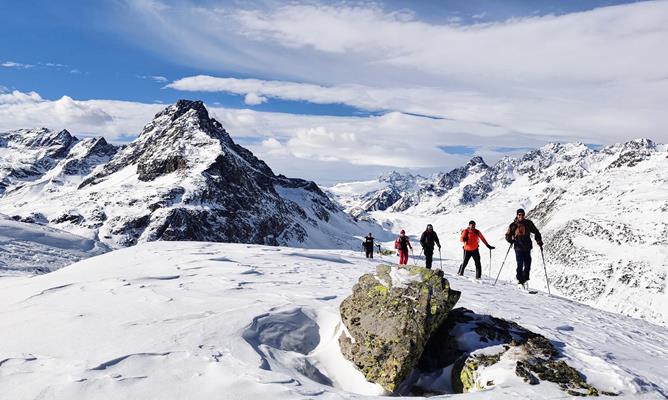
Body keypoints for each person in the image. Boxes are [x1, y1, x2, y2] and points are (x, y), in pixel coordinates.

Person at [505, 209, 543, 289]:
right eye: (519, 214)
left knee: (528, 264)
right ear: (517, 215)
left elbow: (536, 232)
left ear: (524, 215)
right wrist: (510, 240)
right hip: (518, 248)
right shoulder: (513, 225)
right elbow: (508, 235)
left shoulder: (528, 223)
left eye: (522, 214)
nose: (521, 216)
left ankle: (525, 280)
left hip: (527, 247)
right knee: (520, 264)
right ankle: (520, 281)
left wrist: (538, 240)